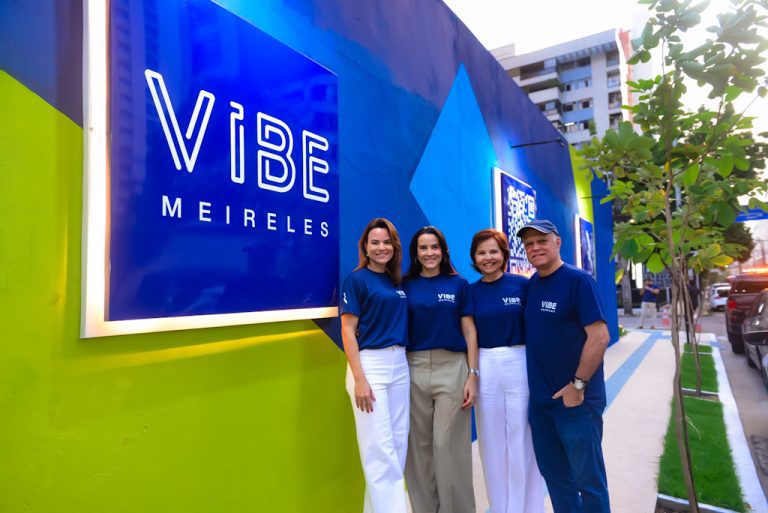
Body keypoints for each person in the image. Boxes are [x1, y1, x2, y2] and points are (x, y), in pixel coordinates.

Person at [517, 219, 611, 513]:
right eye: (529, 244)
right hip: (542, 405)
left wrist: (578, 386)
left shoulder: (578, 281)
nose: (535, 248)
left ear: (558, 242)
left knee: (589, 481)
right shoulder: (532, 284)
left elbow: (599, 336)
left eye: (541, 241)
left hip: (576, 403)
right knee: (557, 480)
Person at [402, 226, 478, 513]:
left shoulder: (458, 284)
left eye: (434, 247)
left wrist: (473, 374)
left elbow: (470, 332)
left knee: (447, 446)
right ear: (416, 253)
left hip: (452, 368)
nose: (429, 253)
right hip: (413, 368)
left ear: (443, 250)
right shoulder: (405, 285)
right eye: (423, 248)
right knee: (418, 450)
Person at [469, 229, 545, 513]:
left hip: (519, 363)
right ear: (474, 258)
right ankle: (501, 507)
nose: (488, 257)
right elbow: (470, 336)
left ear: (503, 255)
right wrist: (473, 374)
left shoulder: (522, 286)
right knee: (491, 442)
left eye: (493, 251)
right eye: (481, 253)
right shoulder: (471, 291)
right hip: (486, 365)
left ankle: (527, 508)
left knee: (522, 438)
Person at [340, 218, 410, 513]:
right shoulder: (357, 280)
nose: (381, 248)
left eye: (387, 242)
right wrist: (359, 378)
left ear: (395, 247)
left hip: (400, 366)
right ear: (365, 247)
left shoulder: (395, 282)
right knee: (379, 452)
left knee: (396, 448)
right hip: (371, 367)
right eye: (375, 242)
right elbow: (347, 330)